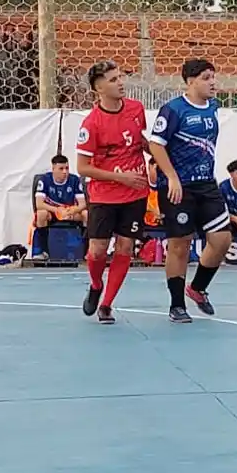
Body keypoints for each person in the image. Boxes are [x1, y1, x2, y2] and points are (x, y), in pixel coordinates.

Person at [146, 58, 231, 323]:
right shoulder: (173, 110)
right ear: (190, 81)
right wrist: (171, 177)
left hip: (206, 184)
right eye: (206, 77)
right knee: (180, 245)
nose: (212, 82)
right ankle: (176, 305)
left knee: (222, 240)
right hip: (178, 187)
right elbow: (156, 145)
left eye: (213, 76)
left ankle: (197, 287)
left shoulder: (213, 107)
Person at [74, 60, 150, 324]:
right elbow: (82, 167)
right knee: (97, 251)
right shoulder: (91, 124)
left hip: (136, 193)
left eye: (121, 77)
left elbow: (142, 142)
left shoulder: (136, 109)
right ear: (98, 88)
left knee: (126, 246)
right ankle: (96, 285)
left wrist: (164, 159)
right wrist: (121, 177)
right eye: (113, 79)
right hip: (105, 195)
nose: (121, 83)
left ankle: (107, 304)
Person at [32, 153, 87, 260]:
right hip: (53, 212)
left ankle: (87, 251)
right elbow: (39, 204)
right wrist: (57, 210)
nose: (65, 172)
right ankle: (42, 251)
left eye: (66, 168)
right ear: (53, 169)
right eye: (61, 168)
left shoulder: (74, 180)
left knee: (86, 214)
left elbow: (83, 204)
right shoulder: (44, 180)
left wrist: (72, 210)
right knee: (41, 214)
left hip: (69, 212)